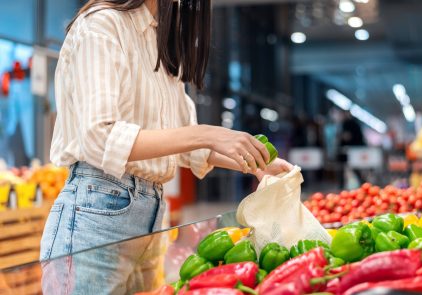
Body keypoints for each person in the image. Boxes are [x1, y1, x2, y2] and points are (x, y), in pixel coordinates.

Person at [40, 0, 293, 294]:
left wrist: (257, 163)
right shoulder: (102, 24)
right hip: (96, 211)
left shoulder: (163, 42)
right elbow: (101, 137)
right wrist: (207, 133)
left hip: (151, 216)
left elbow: (187, 147)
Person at [338, 110, 366, 188]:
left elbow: (347, 136)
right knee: (354, 168)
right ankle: (362, 183)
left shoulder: (347, 123)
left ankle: (342, 185)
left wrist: (340, 137)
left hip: (350, 150)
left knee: (348, 168)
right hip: (355, 149)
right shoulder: (355, 123)